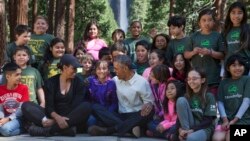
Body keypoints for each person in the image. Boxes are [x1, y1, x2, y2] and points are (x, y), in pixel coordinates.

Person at [22, 54, 91, 137]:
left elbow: (75, 106)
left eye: (77, 69)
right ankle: (63, 130)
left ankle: (49, 131)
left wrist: (55, 121)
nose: (76, 71)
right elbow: (49, 107)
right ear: (65, 68)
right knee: (26, 105)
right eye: (74, 68)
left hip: (70, 117)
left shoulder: (79, 83)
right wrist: (56, 119)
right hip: (52, 115)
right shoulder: (51, 82)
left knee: (87, 106)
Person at [88, 55, 154, 137]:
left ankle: (109, 130)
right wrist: (89, 80)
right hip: (119, 116)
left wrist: (149, 104)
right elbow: (101, 85)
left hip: (135, 115)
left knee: (150, 111)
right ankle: (130, 129)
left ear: (125, 68)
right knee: (95, 107)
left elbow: (149, 103)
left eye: (116, 69)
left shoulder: (142, 82)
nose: (115, 71)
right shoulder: (115, 80)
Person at [184, 9, 224, 97]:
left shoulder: (218, 36)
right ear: (199, 22)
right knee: (197, 104)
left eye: (210, 20)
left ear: (214, 22)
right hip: (196, 79)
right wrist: (193, 52)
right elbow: (186, 55)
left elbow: (222, 55)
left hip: (213, 78)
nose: (207, 23)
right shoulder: (193, 37)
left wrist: (210, 52)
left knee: (212, 102)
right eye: (204, 20)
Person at [212, 54, 250, 141]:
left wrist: (234, 120)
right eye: (234, 65)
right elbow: (220, 103)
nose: (237, 68)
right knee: (217, 138)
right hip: (226, 120)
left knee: (231, 136)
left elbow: (246, 101)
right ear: (228, 68)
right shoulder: (223, 82)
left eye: (240, 65)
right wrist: (225, 120)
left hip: (244, 120)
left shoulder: (247, 79)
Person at [176, 68, 217, 141]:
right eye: (189, 79)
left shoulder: (209, 96)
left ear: (202, 80)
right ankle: (185, 134)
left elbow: (208, 120)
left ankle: (187, 136)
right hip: (189, 127)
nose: (191, 81)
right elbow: (180, 117)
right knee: (180, 100)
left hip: (204, 128)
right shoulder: (187, 96)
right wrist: (180, 130)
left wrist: (192, 131)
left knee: (191, 138)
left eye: (194, 79)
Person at [0, 62, 29, 136]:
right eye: (17, 75)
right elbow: (0, 108)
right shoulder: (1, 89)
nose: (20, 77)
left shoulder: (23, 88)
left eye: (20, 74)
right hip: (5, 117)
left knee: (5, 130)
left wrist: (8, 119)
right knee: (3, 128)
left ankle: (25, 128)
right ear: (8, 77)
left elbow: (22, 108)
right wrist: (1, 118)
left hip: (18, 118)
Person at [86, 60, 118, 127]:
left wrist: (107, 113)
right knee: (91, 122)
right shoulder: (90, 81)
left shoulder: (111, 83)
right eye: (99, 69)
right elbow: (86, 99)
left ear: (108, 70)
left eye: (104, 69)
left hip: (107, 111)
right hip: (94, 110)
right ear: (95, 70)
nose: (101, 71)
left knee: (106, 121)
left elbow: (114, 102)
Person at [222, 1, 250, 73]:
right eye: (233, 12)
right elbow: (224, 51)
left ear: (244, 14)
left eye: (240, 13)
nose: (236, 16)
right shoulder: (225, 31)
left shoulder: (248, 29)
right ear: (229, 14)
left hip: (244, 66)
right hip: (229, 67)